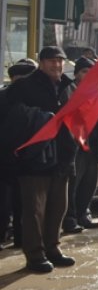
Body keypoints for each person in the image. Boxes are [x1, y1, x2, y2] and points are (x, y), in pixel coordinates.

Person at [6, 46, 79, 273]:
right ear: (41, 62)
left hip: (63, 158)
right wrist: (40, 120)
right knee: (34, 211)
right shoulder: (23, 86)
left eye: (60, 61)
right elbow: (10, 117)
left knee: (58, 208)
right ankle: (35, 255)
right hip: (34, 159)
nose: (56, 65)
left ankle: (53, 249)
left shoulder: (69, 86)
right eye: (51, 61)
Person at [62, 56, 98, 235]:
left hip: (94, 147)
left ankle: (84, 215)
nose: (88, 75)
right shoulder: (70, 91)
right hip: (77, 147)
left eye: (91, 72)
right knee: (73, 185)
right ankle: (70, 220)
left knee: (89, 184)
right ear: (76, 74)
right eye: (84, 71)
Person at [0, 58, 38, 249]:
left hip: (27, 159)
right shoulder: (7, 99)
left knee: (23, 202)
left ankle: (20, 238)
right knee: (7, 202)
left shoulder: (35, 99)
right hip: (8, 159)